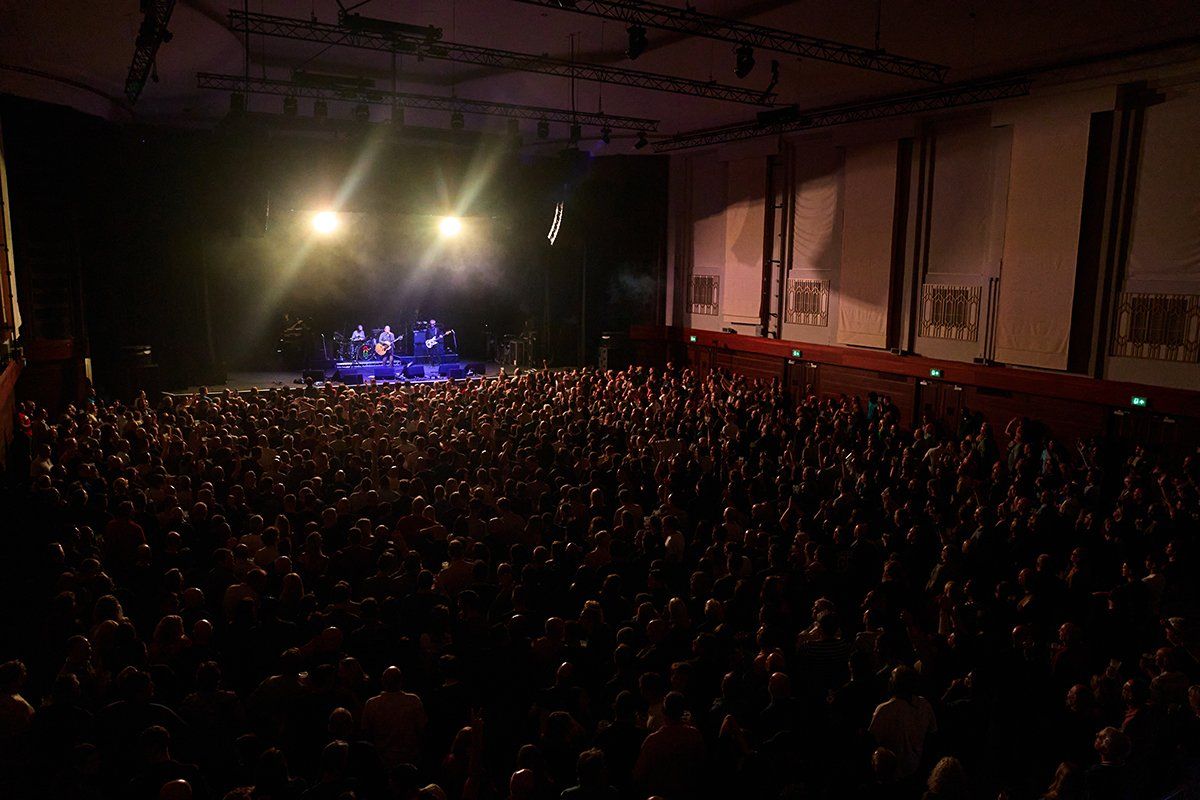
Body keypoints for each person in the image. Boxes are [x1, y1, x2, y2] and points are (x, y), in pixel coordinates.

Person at [361, 666, 427, 769]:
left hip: (382, 759)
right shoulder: (413, 701)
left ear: (383, 681)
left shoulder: (372, 704)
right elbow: (422, 729)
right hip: (409, 757)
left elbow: (366, 732)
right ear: (401, 681)